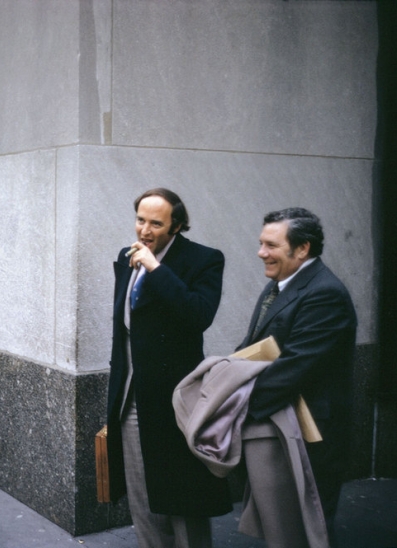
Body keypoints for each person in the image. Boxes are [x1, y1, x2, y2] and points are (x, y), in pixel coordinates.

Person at [106, 188, 231, 547]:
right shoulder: (126, 257)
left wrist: (156, 268)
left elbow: (198, 316)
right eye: (140, 220)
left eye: (155, 223)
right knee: (141, 495)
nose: (144, 230)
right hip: (132, 395)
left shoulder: (204, 259)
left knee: (183, 498)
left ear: (176, 226)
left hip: (178, 398)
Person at [236, 207, 356, 547]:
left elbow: (294, 367)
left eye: (271, 245)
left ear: (302, 248)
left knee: (307, 529)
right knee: (283, 526)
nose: (261, 253)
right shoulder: (280, 283)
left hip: (312, 436)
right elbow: (254, 346)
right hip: (281, 427)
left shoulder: (325, 293)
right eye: (261, 243)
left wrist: (235, 401)